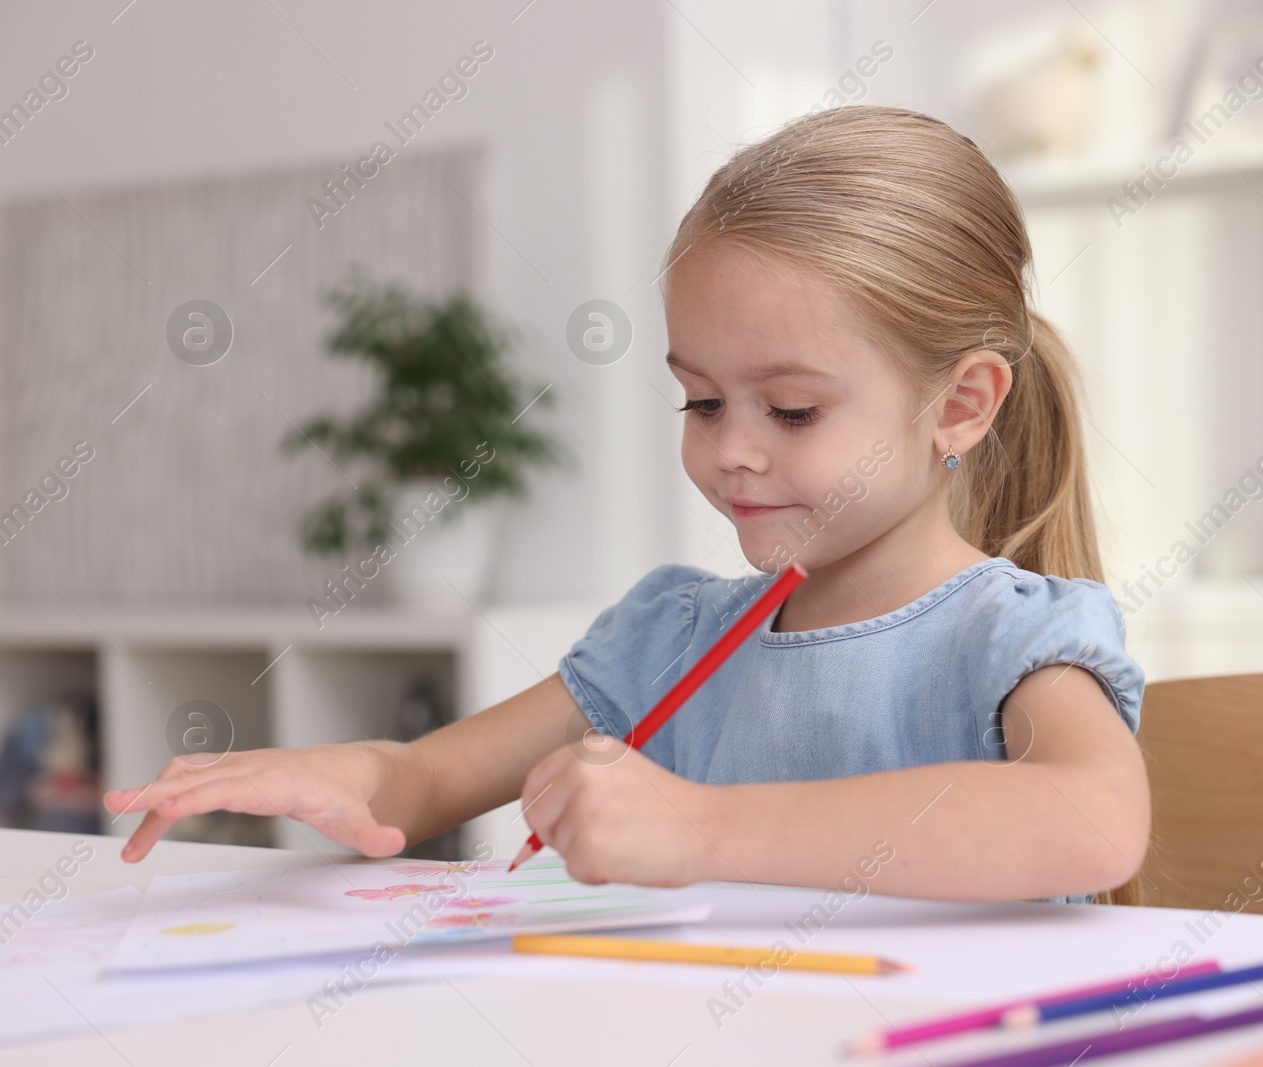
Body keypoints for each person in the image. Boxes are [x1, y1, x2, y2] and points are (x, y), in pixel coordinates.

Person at [107, 105, 1150, 905]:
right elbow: (421, 779)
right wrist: (331, 775)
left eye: (790, 409)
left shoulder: (1011, 637)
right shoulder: (671, 637)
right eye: (699, 399)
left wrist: (701, 828)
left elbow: (1096, 818)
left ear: (959, 405)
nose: (730, 449)